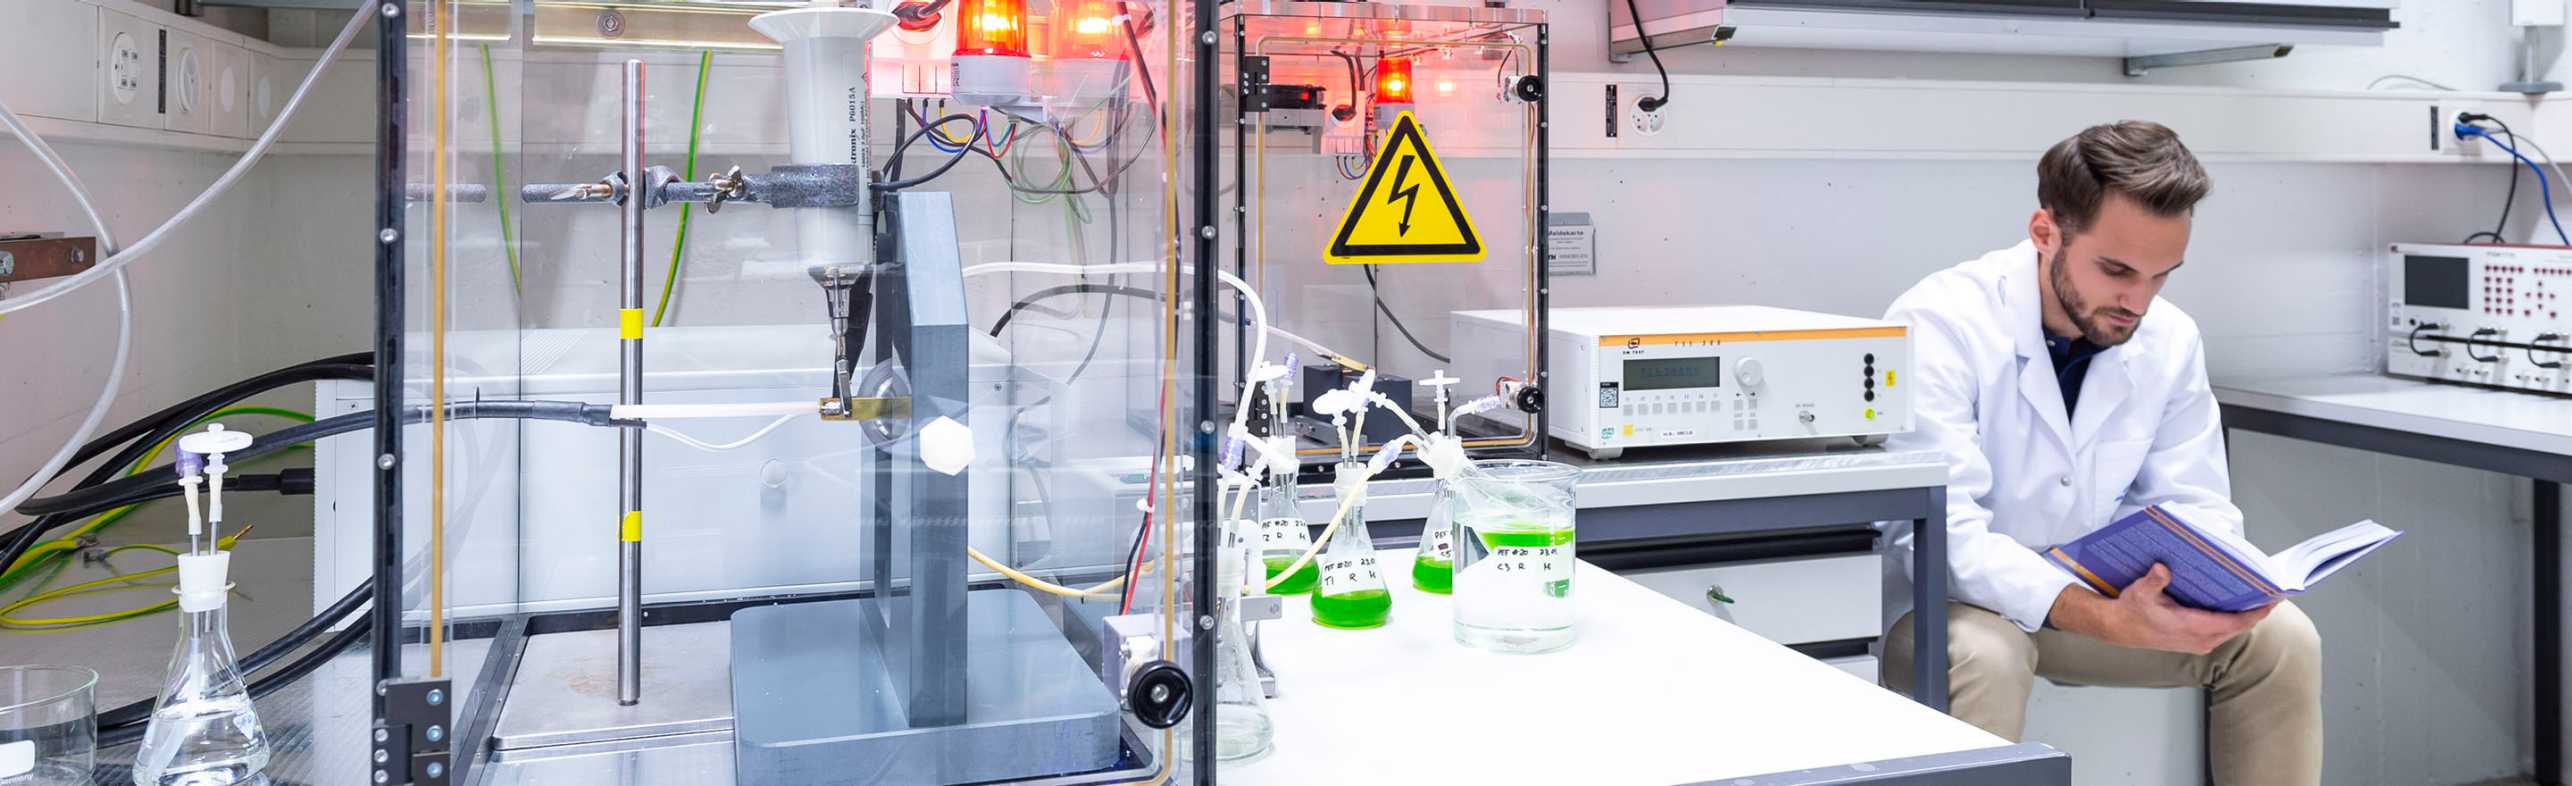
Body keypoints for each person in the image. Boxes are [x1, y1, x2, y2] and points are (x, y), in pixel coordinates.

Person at [1878, 121, 2322, 786]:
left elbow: (2195, 504)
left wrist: (2222, 585)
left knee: (2281, 640)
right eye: (2115, 271)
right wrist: (2097, 614)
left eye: (2160, 276)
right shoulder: (1939, 322)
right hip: (1949, 610)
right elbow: (1941, 539)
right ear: (2045, 232)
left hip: (2098, 604)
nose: (2137, 302)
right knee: (1988, 656)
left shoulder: (2168, 338)